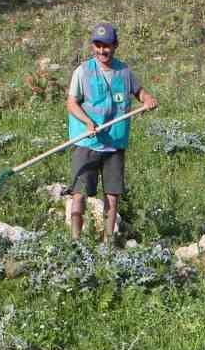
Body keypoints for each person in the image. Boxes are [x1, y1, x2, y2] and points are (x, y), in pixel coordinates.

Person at [65, 22, 157, 243]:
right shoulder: (83, 71)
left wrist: (147, 99)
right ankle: (76, 243)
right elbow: (71, 103)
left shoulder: (124, 72)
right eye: (98, 45)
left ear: (115, 45)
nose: (102, 51)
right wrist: (87, 122)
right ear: (92, 46)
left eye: (106, 46)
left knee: (112, 198)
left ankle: (108, 244)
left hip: (114, 143)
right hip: (87, 142)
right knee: (79, 195)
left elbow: (140, 92)